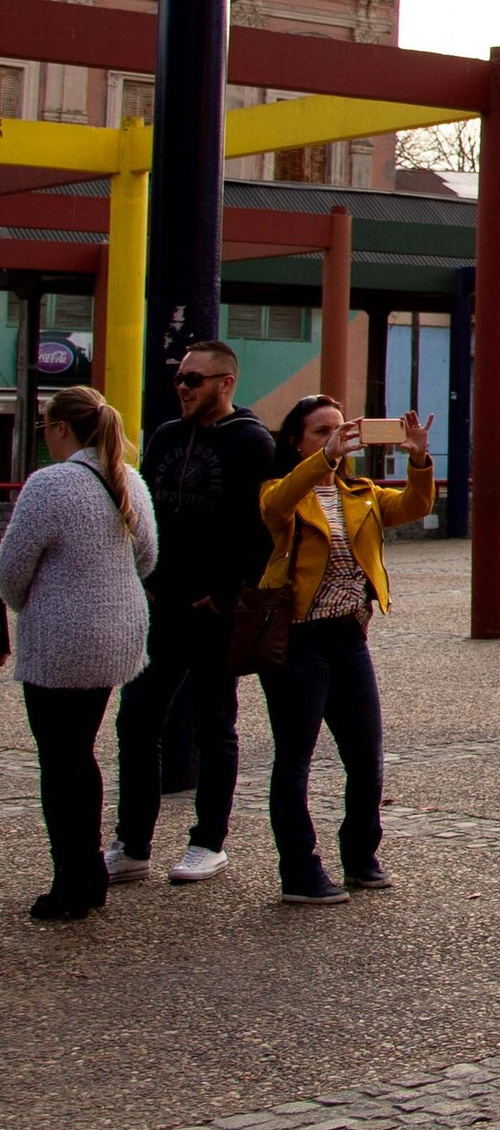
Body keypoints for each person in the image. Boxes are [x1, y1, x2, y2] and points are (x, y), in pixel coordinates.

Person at [255, 397, 435, 904]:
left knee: (365, 756)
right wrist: (323, 461)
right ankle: (300, 871)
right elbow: (275, 507)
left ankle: (360, 855)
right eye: (321, 432)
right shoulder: (282, 491)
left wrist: (419, 459)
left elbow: (415, 506)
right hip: (298, 637)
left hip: (348, 636)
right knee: (295, 759)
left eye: (342, 431)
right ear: (297, 442)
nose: (338, 440)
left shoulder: (361, 493)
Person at [106, 340, 273, 886]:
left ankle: (208, 841)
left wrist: (228, 593)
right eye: (180, 378)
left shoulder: (252, 442)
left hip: (213, 611)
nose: (183, 387)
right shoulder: (166, 436)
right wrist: (144, 578)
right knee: (137, 720)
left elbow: (260, 527)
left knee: (213, 724)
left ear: (226, 382)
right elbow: (142, 509)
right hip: (161, 604)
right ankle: (132, 842)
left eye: (194, 379)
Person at [1, 388, 158, 921]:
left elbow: (11, 569)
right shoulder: (128, 479)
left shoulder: (51, 484)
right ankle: (87, 873)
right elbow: (149, 556)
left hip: (61, 640)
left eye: (46, 427)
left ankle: (73, 881)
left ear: (61, 428)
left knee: (60, 759)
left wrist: (26, 604)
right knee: (80, 752)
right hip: (117, 634)